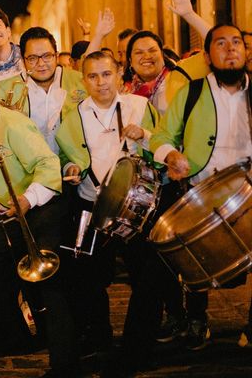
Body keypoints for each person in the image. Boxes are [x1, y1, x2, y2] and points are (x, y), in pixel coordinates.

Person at [0, 74, 78, 375]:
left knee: (48, 282)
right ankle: (13, 340)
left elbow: (48, 165)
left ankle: (66, 361)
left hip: (40, 207)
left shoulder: (12, 123)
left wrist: (27, 199)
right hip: (7, 214)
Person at [149, 23, 251, 355]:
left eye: (237, 42)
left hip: (249, 191)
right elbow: (161, 137)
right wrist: (172, 155)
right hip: (202, 189)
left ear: (246, 52)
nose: (231, 49)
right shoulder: (192, 92)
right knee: (196, 258)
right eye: (221, 43)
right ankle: (196, 318)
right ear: (207, 56)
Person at [55, 51, 158, 360]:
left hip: (134, 206)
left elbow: (166, 144)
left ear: (118, 74)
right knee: (88, 277)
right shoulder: (73, 115)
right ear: (83, 79)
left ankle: (140, 343)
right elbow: (66, 156)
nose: (100, 82)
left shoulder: (139, 106)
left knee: (144, 275)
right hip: (91, 202)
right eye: (93, 76)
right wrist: (70, 169)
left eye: (106, 74)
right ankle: (98, 335)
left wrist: (146, 135)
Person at [0, 26, 87, 154]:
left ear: (56, 56)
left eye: (47, 56)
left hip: (76, 166)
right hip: (28, 169)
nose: (41, 64)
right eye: (33, 58)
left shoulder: (81, 82)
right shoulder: (4, 90)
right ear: (23, 61)